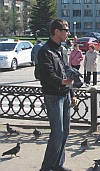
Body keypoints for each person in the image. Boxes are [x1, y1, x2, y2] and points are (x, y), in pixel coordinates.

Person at [38, 18, 76, 171]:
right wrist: (61, 82)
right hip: (53, 96)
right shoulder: (45, 51)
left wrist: (72, 92)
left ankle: (58, 164)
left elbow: (67, 72)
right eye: (66, 30)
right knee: (57, 133)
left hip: (65, 94)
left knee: (65, 131)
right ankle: (47, 167)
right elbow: (46, 75)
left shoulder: (62, 49)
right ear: (57, 31)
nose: (68, 33)